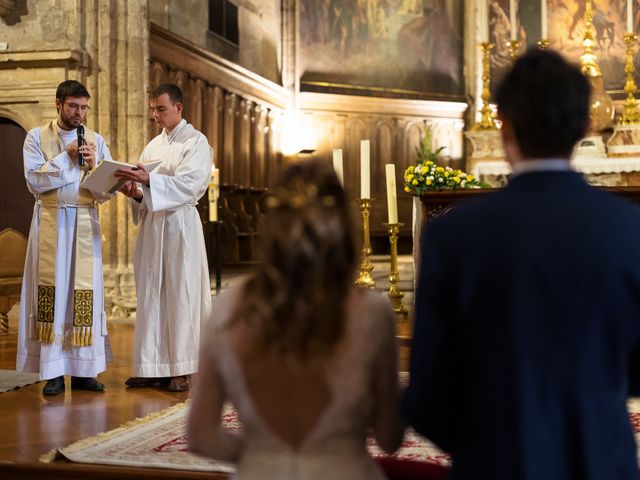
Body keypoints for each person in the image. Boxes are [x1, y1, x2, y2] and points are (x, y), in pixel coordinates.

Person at [403, 48, 640, 479]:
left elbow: (427, 397)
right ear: (585, 128)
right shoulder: (630, 230)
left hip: (492, 464)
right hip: (602, 462)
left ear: (504, 126)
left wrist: (485, 442)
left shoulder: (453, 235)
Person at [187, 159, 405, 479]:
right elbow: (389, 437)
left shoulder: (229, 306)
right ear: (343, 225)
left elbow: (201, 435)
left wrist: (263, 457)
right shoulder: (371, 313)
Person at [16, 80, 113, 396]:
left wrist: (93, 165)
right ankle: (54, 370)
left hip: (85, 222)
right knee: (54, 297)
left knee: (82, 297)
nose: (79, 113)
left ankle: (84, 371)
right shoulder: (36, 137)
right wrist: (65, 157)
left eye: (84, 107)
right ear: (58, 103)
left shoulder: (95, 140)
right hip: (51, 223)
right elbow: (34, 181)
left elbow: (104, 192)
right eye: (74, 106)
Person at [115, 84, 212, 392]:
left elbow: (190, 185)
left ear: (179, 108)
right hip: (154, 227)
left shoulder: (196, 142)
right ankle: (151, 364)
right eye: (153, 109)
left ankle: (184, 368)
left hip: (180, 226)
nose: (155, 115)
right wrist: (135, 192)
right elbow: (146, 190)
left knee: (180, 294)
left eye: (161, 109)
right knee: (152, 294)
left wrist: (149, 180)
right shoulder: (153, 146)